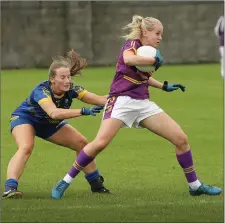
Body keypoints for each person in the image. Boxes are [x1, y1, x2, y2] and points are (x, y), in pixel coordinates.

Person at [52, 15, 222, 199]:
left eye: (161, 34)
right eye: (157, 33)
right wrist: (154, 61)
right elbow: (129, 60)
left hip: (142, 102)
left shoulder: (147, 51)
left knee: (181, 139)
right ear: (145, 32)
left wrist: (164, 86)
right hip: (121, 101)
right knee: (99, 143)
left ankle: (195, 186)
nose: (160, 37)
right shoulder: (132, 45)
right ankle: (65, 181)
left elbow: (143, 76)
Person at [2, 49, 111, 199]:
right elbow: (54, 113)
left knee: (82, 144)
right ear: (52, 79)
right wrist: (83, 111)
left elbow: (99, 99)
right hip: (26, 119)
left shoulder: (72, 88)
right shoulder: (41, 90)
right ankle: (10, 188)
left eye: (68, 77)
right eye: (62, 77)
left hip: (49, 124)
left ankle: (97, 186)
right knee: (26, 146)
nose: (67, 81)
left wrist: (124, 94)